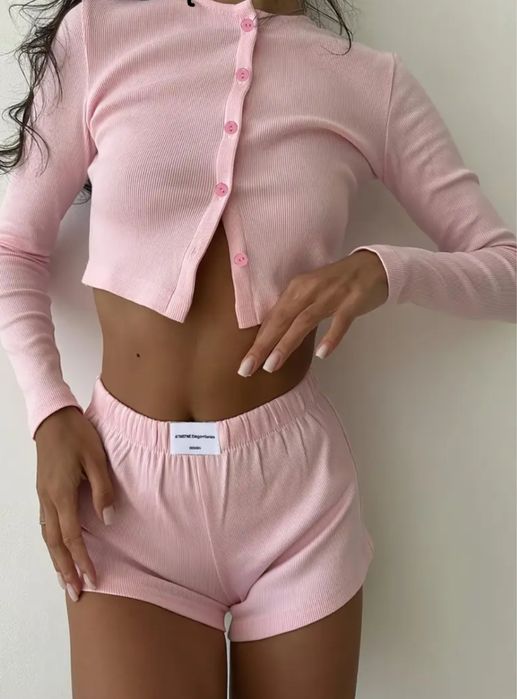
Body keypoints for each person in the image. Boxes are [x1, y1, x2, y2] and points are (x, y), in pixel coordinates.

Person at [0, 0, 515, 696]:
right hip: (122, 492)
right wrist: (48, 411)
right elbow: (14, 248)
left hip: (293, 507)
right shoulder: (102, 31)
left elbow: (506, 272)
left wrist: (383, 270)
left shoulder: (370, 83)